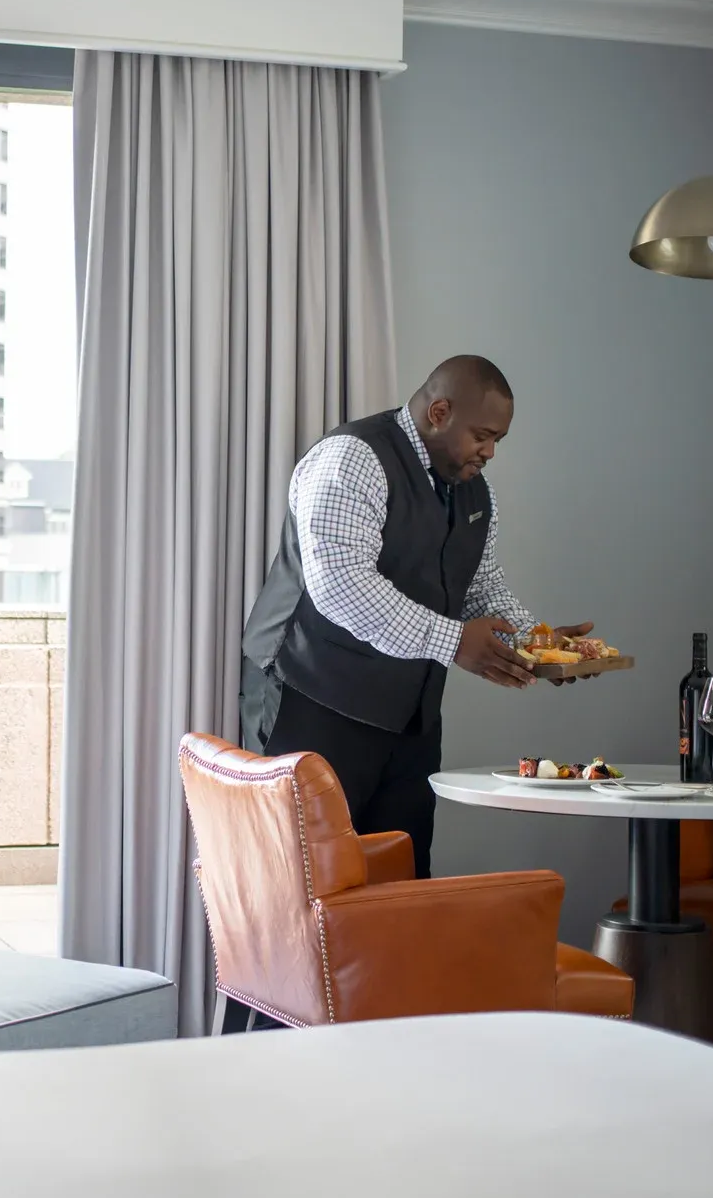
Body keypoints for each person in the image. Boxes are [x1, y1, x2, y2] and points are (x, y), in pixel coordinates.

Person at [239, 354, 590, 878]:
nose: (491, 452)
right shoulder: (352, 458)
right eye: (482, 436)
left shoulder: (475, 491)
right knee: (301, 881)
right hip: (311, 699)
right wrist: (454, 642)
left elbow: (478, 586)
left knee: (400, 882)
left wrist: (536, 644)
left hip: (409, 718)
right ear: (439, 413)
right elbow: (340, 586)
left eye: (498, 440)